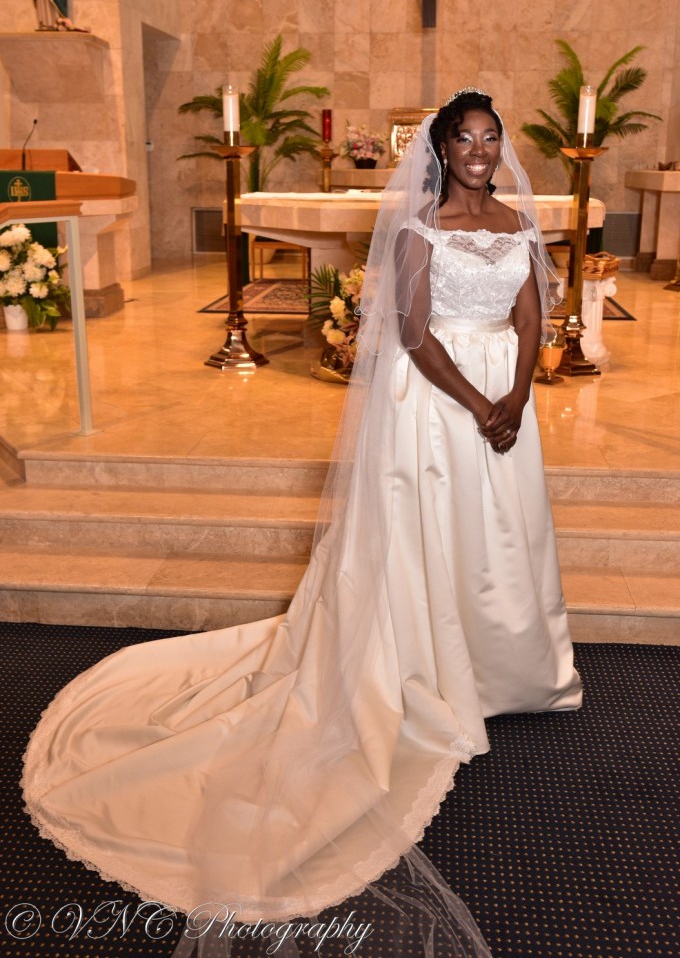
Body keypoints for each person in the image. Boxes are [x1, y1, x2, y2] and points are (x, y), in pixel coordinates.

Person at [22, 90, 582, 958]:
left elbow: (531, 309)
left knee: (502, 537)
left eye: (489, 138)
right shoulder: (419, 228)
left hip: (507, 400)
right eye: (464, 139)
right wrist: (480, 405)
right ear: (440, 150)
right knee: (434, 539)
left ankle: (507, 665)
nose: (479, 150)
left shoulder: (517, 221)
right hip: (441, 406)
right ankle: (435, 671)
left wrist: (517, 394)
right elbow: (415, 332)